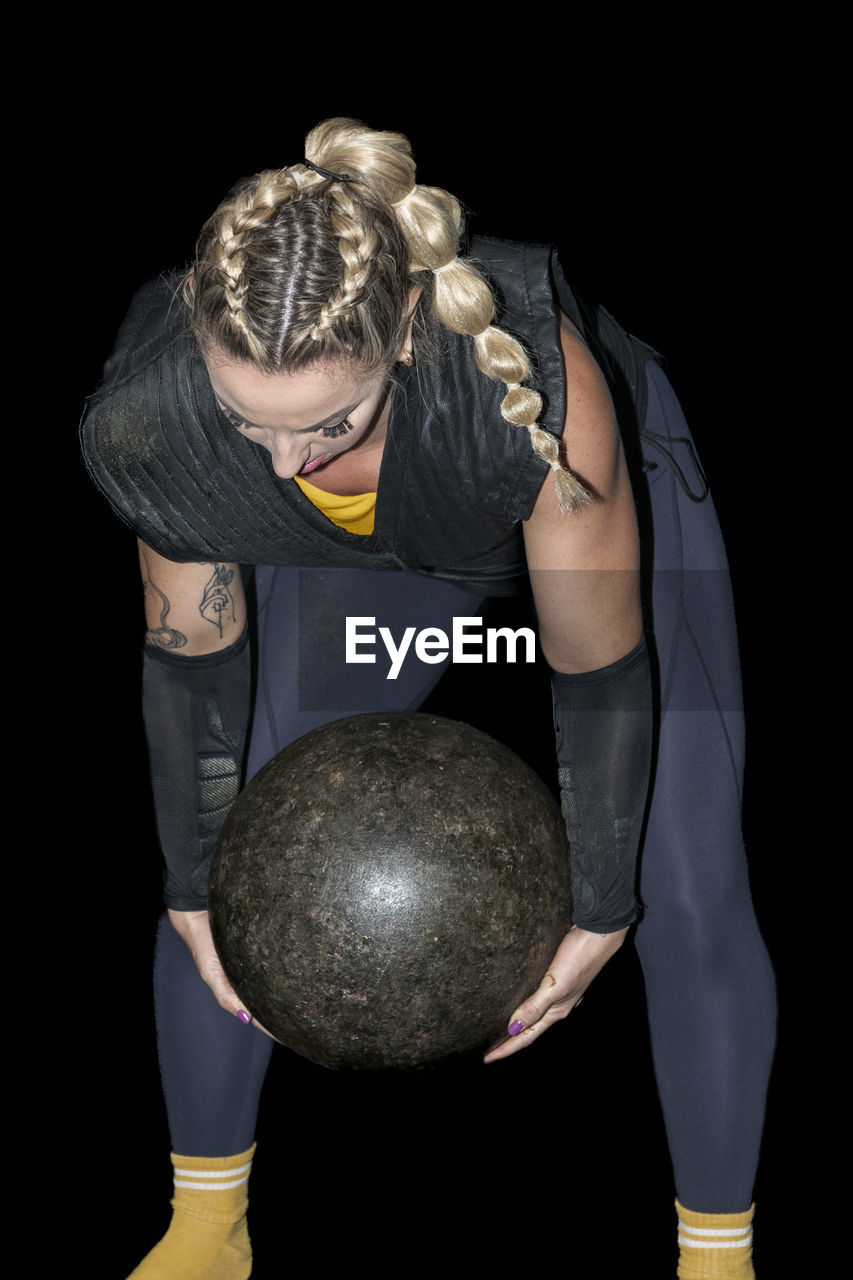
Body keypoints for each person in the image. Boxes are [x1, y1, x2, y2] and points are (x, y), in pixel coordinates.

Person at [80, 118, 776, 1279]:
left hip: (543, 485)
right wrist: (193, 874)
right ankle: (206, 1221)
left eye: (325, 424)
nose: (285, 466)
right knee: (232, 858)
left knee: (683, 874)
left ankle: (716, 1252)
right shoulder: (154, 422)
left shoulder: (542, 395)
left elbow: (595, 674)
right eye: (249, 422)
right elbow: (190, 659)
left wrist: (600, 906)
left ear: (403, 331)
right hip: (378, 552)